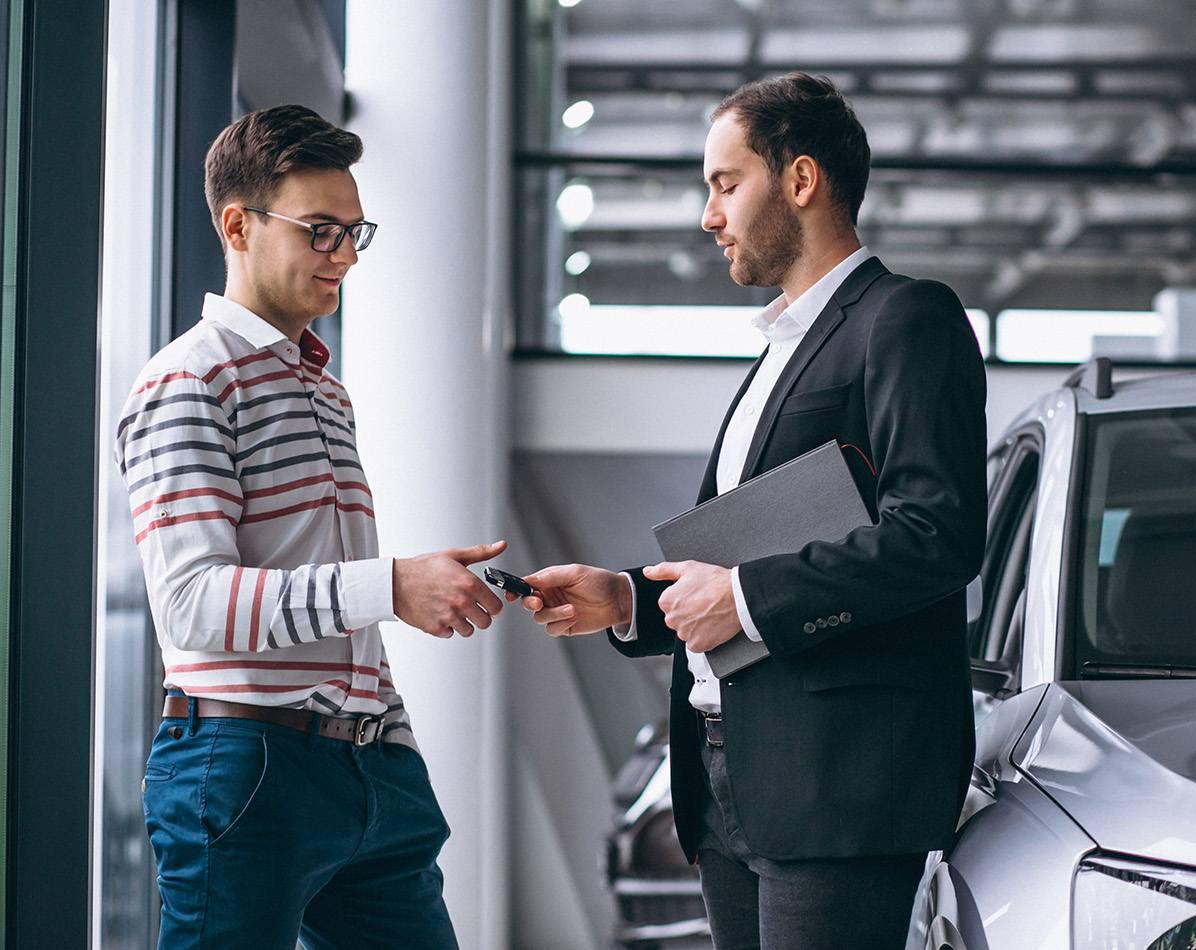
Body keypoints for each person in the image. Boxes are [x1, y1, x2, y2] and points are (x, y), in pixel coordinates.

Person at [517, 73, 987, 948]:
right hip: (730, 770)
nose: (709, 215)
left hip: (835, 781)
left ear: (800, 181)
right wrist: (625, 600)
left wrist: (744, 601)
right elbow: (745, 549)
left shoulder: (905, 318)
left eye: (725, 184)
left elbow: (937, 535)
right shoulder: (780, 349)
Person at [115, 104, 505, 949]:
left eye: (356, 233)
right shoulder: (188, 381)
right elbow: (191, 604)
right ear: (238, 225)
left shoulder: (323, 388)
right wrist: (394, 585)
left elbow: (326, 591)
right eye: (321, 231)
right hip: (244, 766)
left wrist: (390, 736)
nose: (345, 258)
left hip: (369, 768)